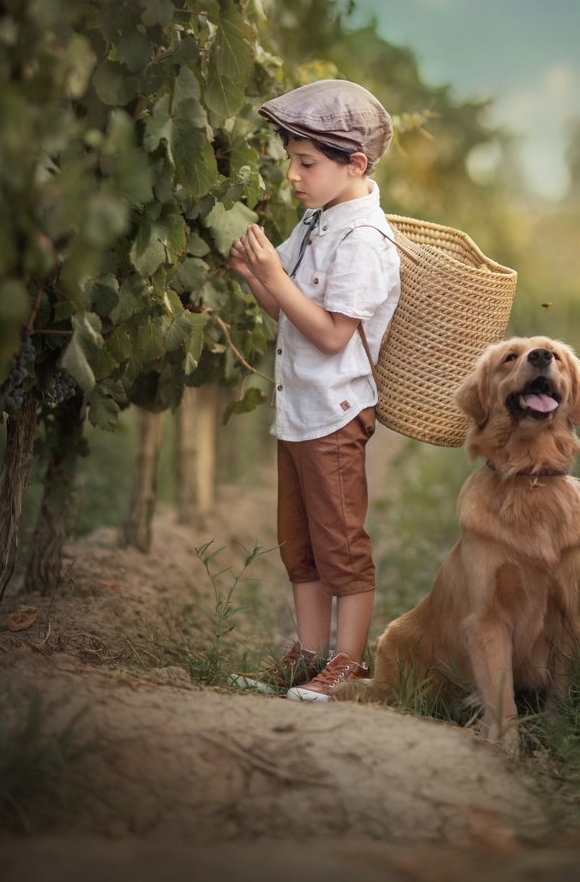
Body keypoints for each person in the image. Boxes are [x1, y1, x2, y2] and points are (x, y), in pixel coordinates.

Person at [227, 80, 401, 701]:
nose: (293, 176)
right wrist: (255, 276)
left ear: (355, 163)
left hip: (334, 414)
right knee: (299, 545)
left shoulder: (364, 241)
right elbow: (288, 313)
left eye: (306, 163)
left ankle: (346, 663)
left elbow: (330, 335)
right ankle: (306, 654)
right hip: (299, 409)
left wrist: (273, 275)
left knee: (340, 544)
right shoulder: (315, 220)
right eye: (291, 162)